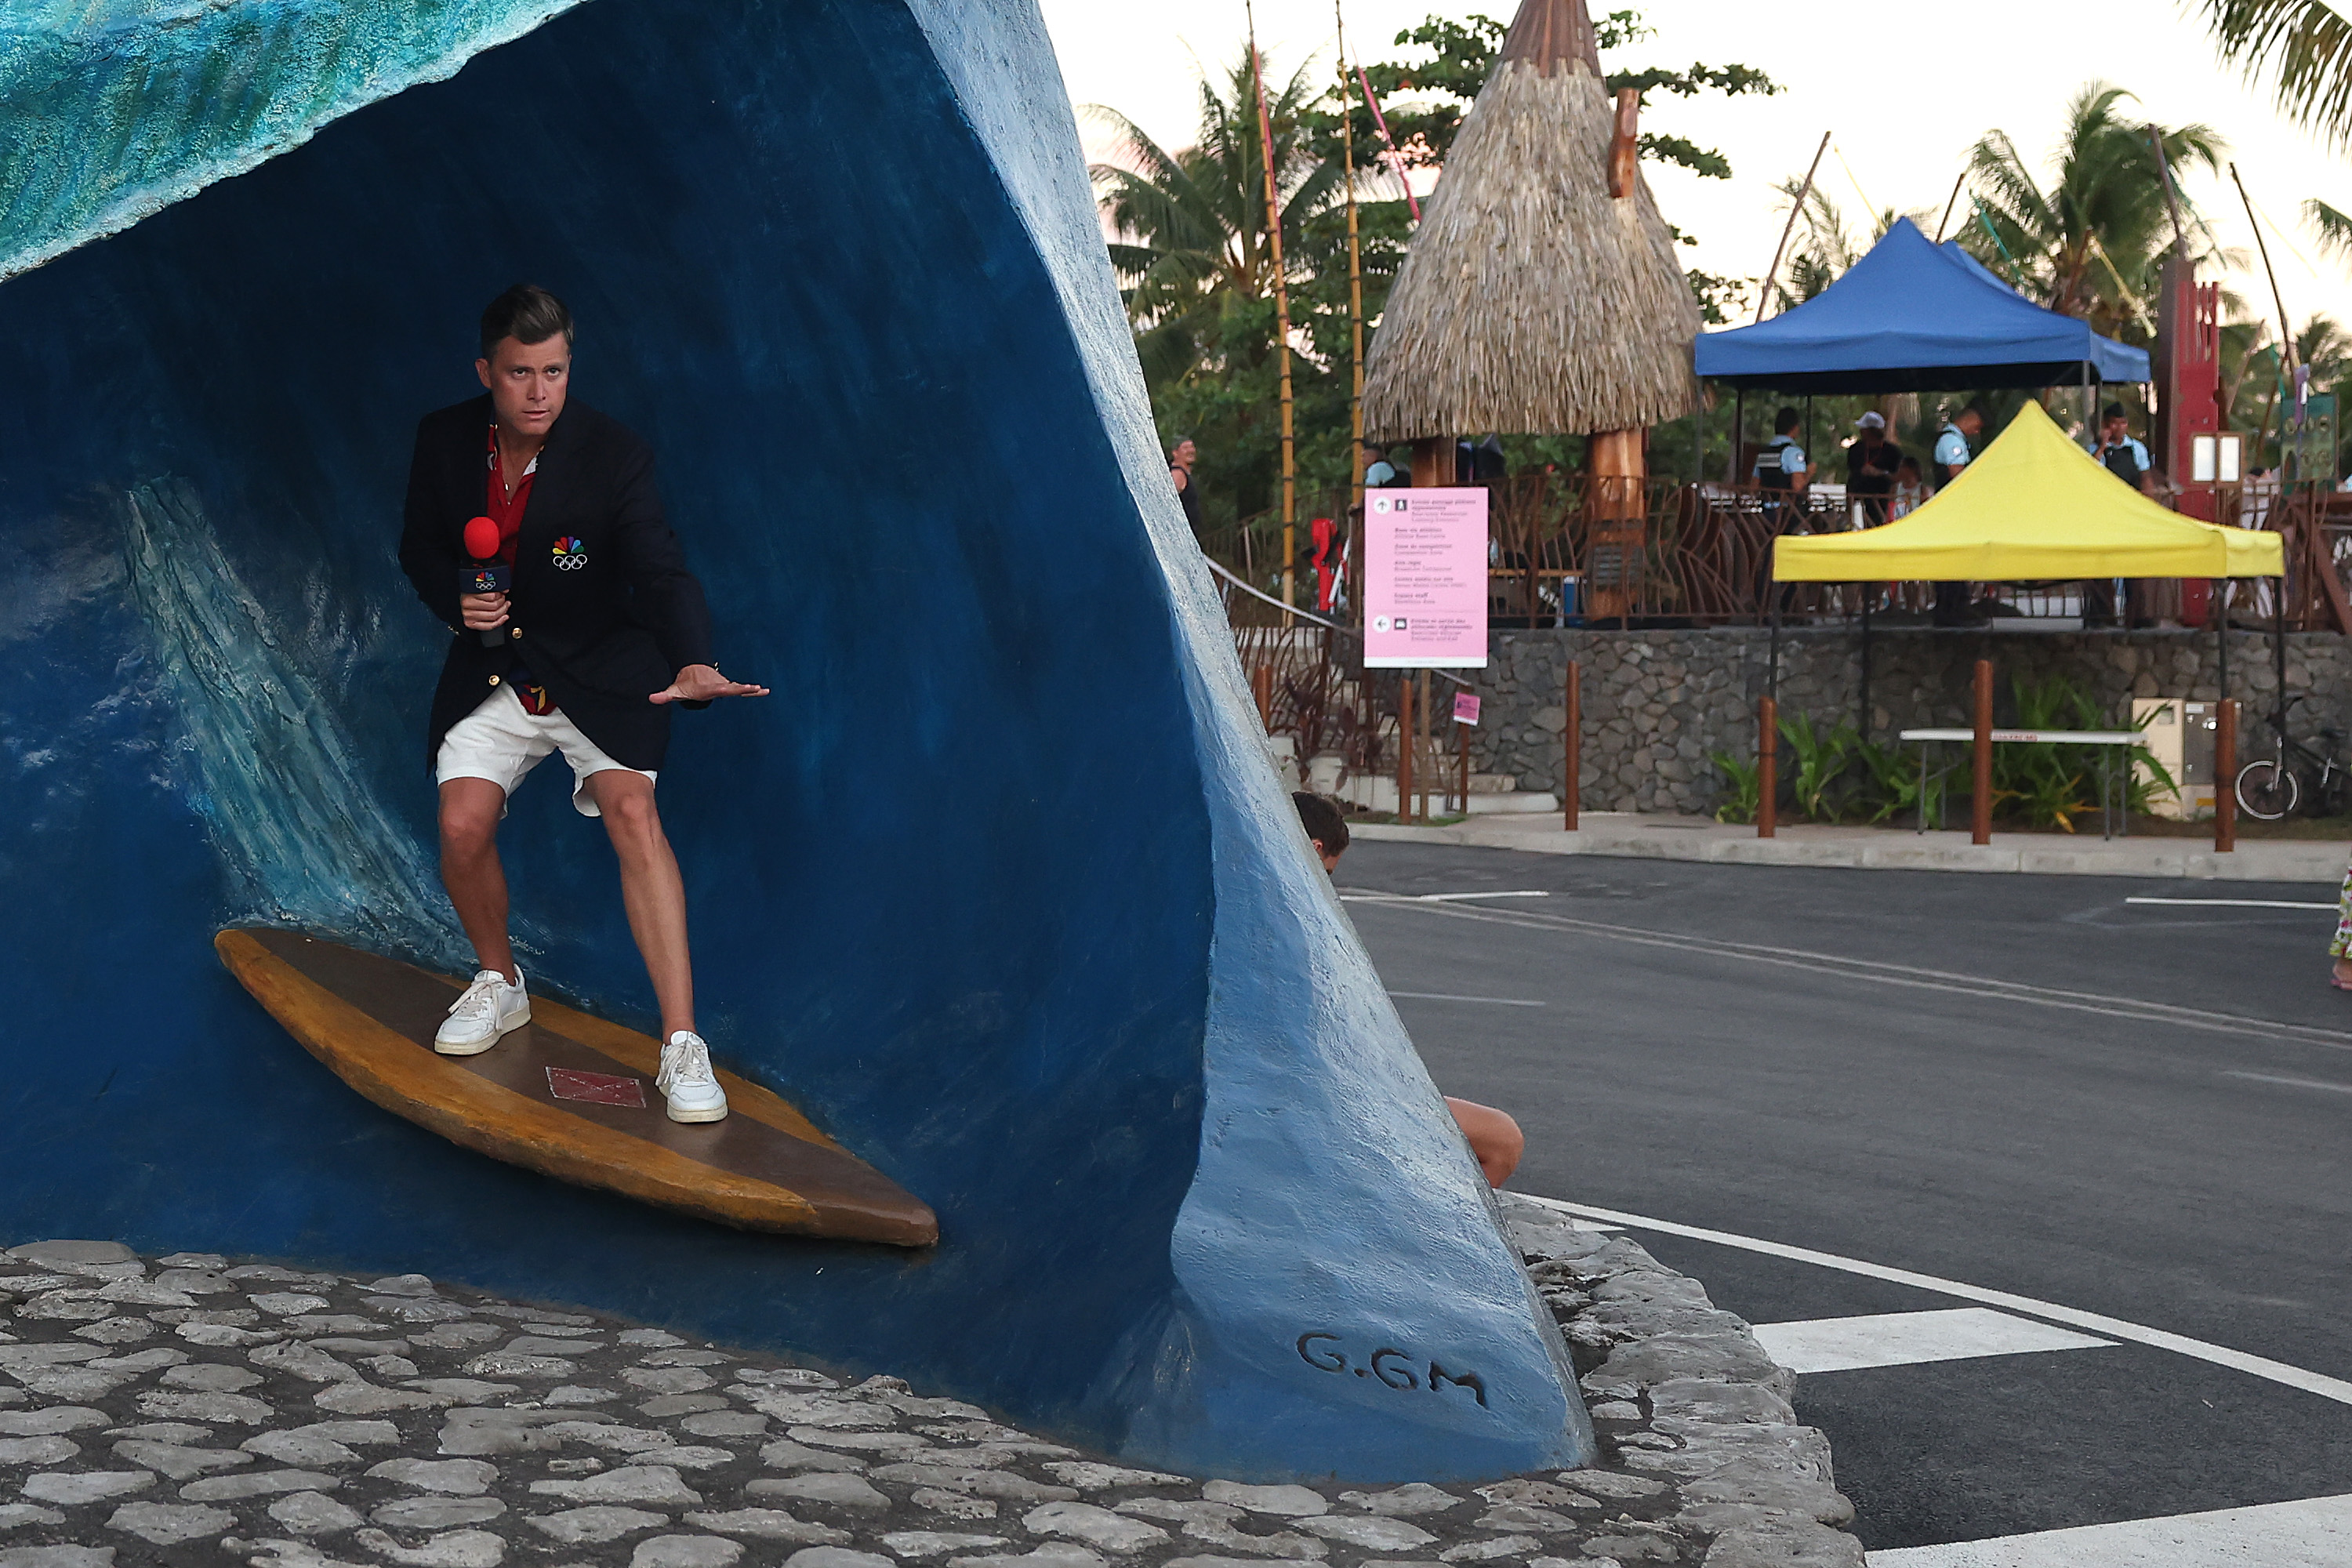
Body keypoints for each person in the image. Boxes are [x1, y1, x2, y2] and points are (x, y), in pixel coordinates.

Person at [397, 284, 771, 1123]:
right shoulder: (444, 441)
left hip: (604, 666)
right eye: (522, 373)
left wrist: (695, 660)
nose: (540, 393)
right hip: (498, 667)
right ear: (487, 371)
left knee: (633, 812)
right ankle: (501, 981)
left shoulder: (615, 456)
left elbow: (661, 568)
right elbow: (418, 546)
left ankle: (681, 1044)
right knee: (461, 825)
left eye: (556, 372)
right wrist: (457, 602)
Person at [1292, 792, 1526, 1188]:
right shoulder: (1301, 918)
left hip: (1330, 1081)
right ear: (1316, 849)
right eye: (1328, 872)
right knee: (1502, 1139)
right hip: (1329, 1091)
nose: (1328, 886)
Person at [1930, 404, 1989, 626]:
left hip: (1950, 510)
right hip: (1949, 510)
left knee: (1953, 558)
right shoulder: (1952, 441)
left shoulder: (1954, 439)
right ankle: (1951, 608)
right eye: (1977, 427)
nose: (1976, 432)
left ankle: (1954, 605)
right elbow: (1958, 475)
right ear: (1971, 420)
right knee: (1951, 559)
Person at [1845, 412, 1901, 526]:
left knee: (1878, 523)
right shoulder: (1856, 449)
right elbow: (1852, 471)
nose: (1861, 431)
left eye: (1863, 429)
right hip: (1857, 493)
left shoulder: (1892, 452)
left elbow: (1899, 476)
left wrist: (1880, 473)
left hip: (1882, 495)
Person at [1171, 437, 1203, 539]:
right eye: (1185, 447)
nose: (1191, 450)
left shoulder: (1183, 473)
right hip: (1180, 536)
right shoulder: (1178, 473)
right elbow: (1166, 501)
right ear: (1175, 453)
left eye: (1192, 447)